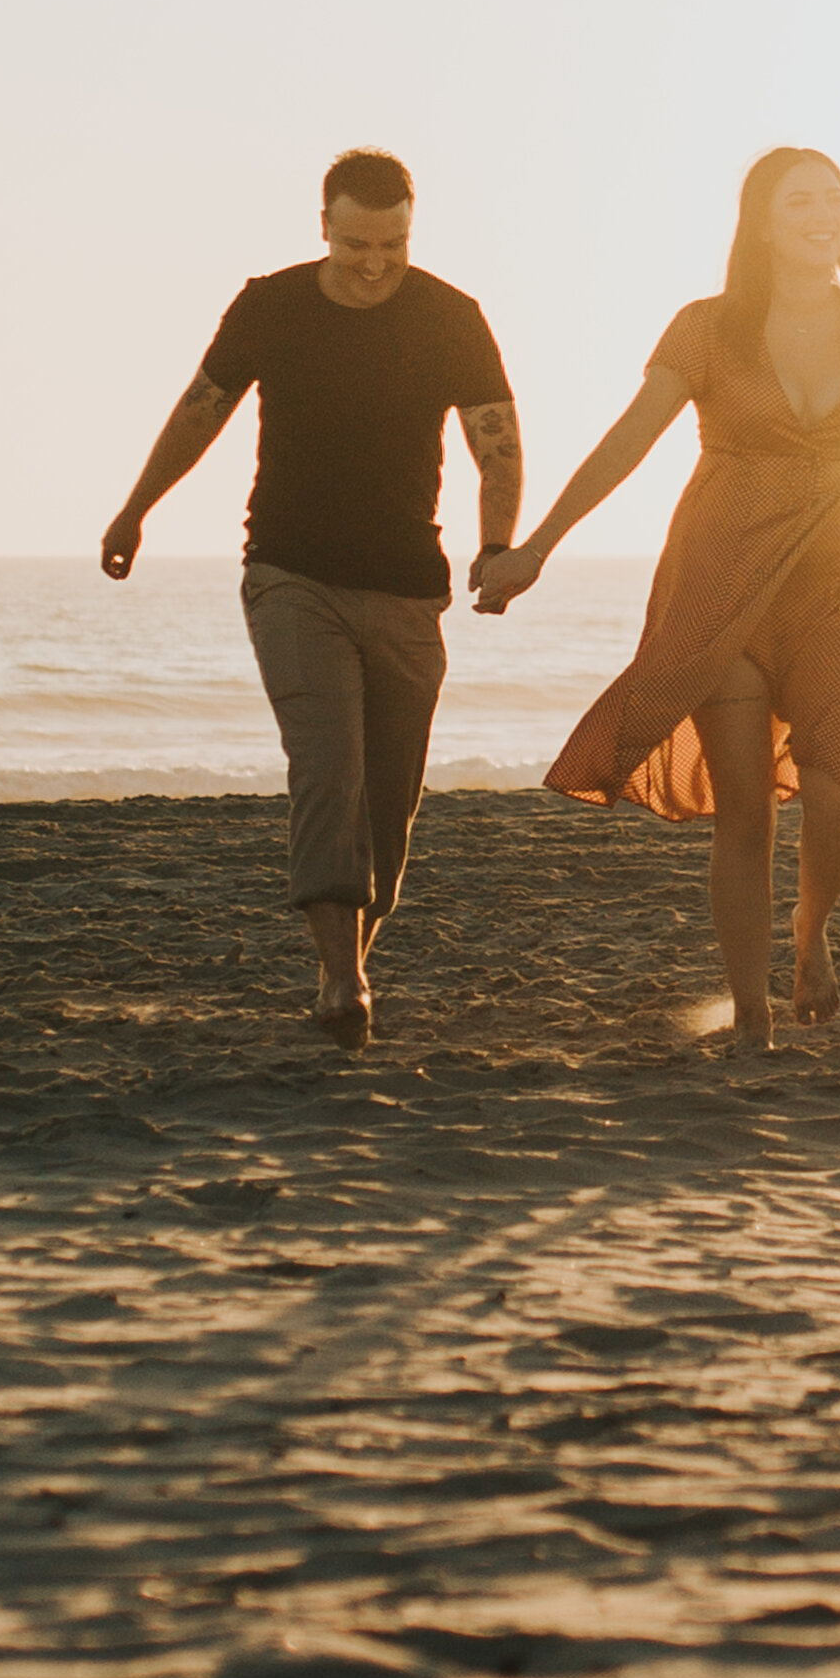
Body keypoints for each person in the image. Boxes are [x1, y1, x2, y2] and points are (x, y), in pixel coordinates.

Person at [473, 147, 840, 1043]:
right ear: (761, 221)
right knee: (744, 814)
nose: (824, 213)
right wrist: (538, 548)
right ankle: (752, 1012)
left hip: (833, 581)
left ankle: (810, 930)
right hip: (721, 579)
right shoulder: (709, 327)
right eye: (802, 201)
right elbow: (628, 440)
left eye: (837, 198)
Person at [101, 149, 520, 1045]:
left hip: (410, 589)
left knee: (389, 804)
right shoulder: (271, 305)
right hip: (290, 574)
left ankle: (353, 957)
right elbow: (200, 409)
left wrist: (494, 545)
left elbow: (499, 441)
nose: (375, 261)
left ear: (413, 228)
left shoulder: (451, 318)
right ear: (323, 224)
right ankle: (341, 980)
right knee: (327, 768)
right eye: (358, 241)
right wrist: (136, 510)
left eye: (394, 244)